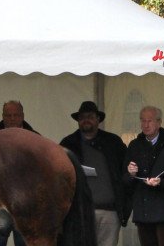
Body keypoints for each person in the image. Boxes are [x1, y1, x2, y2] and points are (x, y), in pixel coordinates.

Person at [60, 101, 130, 246]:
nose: (86, 120)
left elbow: (126, 171)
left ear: (98, 119)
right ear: (78, 121)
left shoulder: (113, 142)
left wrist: (125, 204)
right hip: (80, 212)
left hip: (110, 211)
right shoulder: (68, 144)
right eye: (82, 117)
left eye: (90, 116)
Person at [125, 106, 164, 246]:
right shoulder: (134, 145)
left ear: (159, 123)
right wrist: (131, 173)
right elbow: (123, 178)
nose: (145, 125)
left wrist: (161, 182)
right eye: (142, 121)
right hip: (143, 211)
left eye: (150, 121)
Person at [0, 101, 38, 246]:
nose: (12, 119)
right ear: (2, 116)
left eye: (15, 115)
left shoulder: (36, 140)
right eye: (8, 115)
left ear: (22, 116)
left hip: (25, 205)